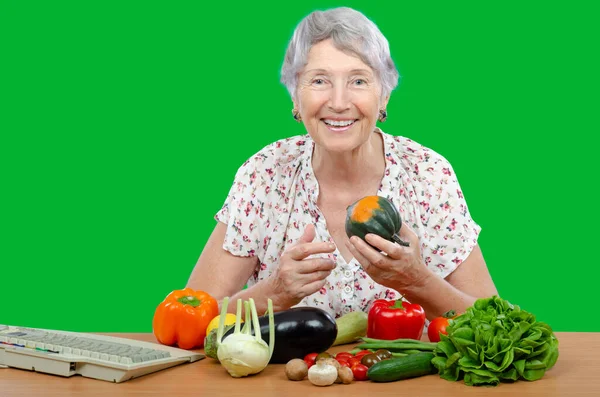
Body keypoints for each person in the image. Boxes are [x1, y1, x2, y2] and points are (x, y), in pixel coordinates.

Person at [186, 7, 498, 320]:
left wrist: (417, 280)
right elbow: (191, 318)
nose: (338, 102)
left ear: (384, 96)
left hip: (407, 371)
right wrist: (276, 291)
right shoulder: (264, 175)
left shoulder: (427, 174)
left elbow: (496, 324)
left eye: (359, 81)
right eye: (319, 80)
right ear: (295, 97)